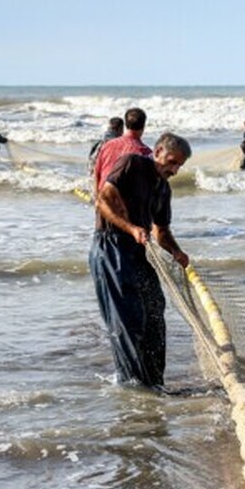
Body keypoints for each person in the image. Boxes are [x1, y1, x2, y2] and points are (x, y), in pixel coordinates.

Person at [90, 133, 193, 388]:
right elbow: (103, 200)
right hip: (111, 246)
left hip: (140, 251)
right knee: (128, 320)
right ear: (157, 151)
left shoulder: (163, 188)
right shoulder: (131, 164)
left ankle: (154, 382)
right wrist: (131, 228)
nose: (174, 169)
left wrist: (177, 253)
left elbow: (162, 232)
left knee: (154, 311)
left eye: (179, 165)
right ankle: (134, 388)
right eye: (171, 162)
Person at [93, 108, 153, 194]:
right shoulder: (146, 153)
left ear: (126, 125)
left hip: (103, 198)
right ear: (143, 126)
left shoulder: (107, 145)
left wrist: (97, 198)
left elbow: (97, 172)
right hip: (125, 203)